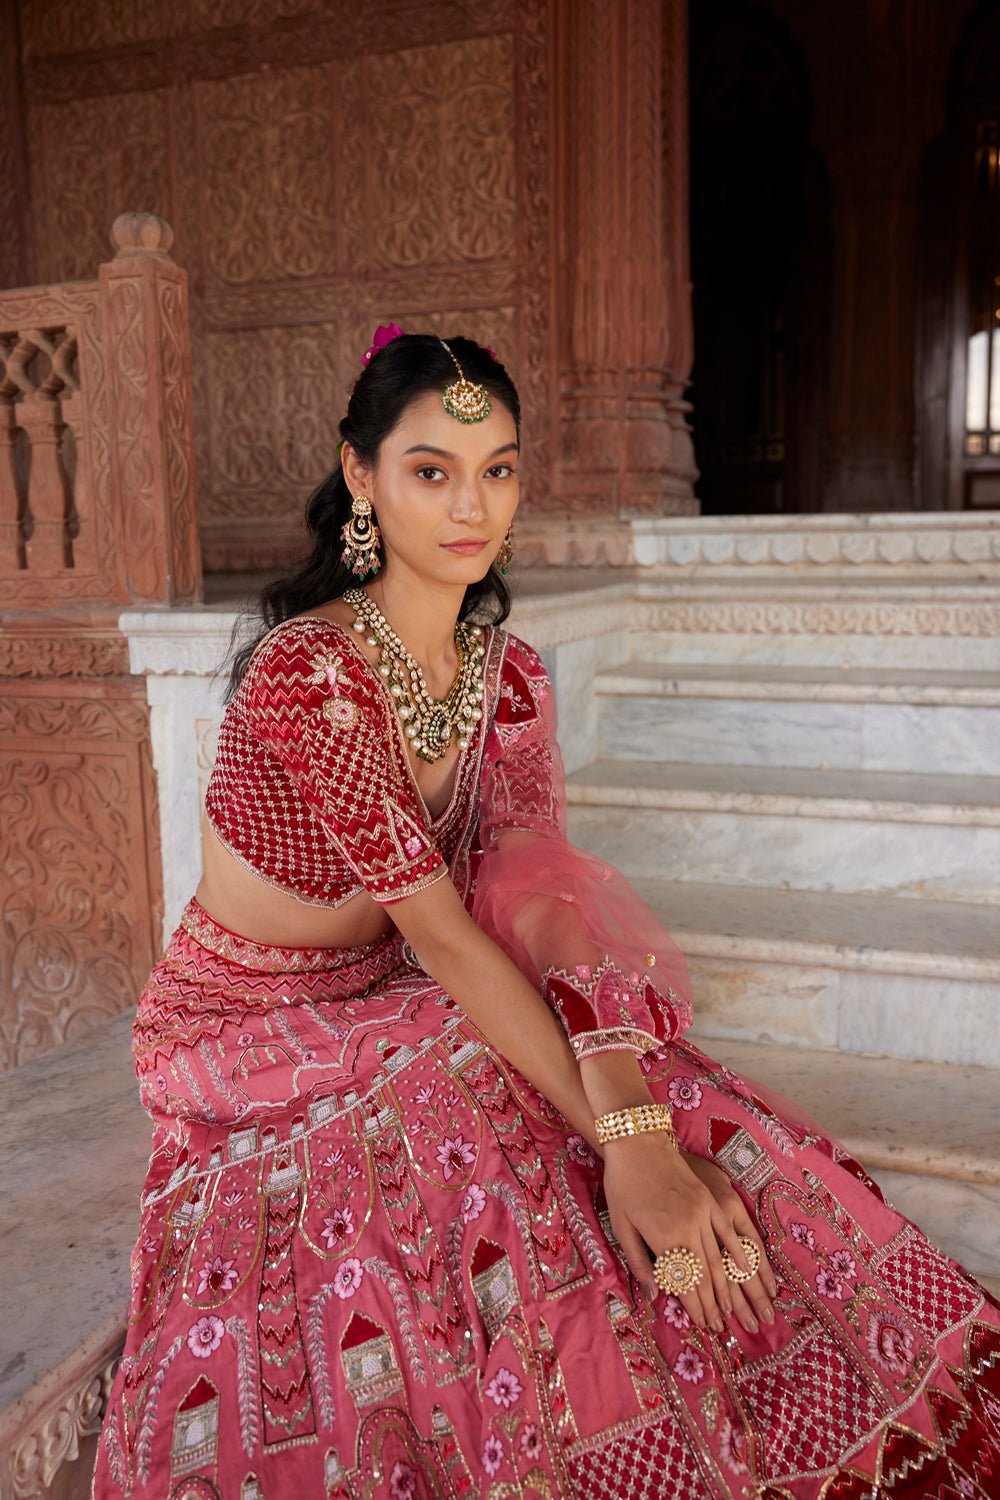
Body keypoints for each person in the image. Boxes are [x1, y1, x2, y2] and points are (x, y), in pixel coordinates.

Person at [94, 330, 1000, 1500]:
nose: (473, 505)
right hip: (246, 1026)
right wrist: (626, 1153)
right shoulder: (308, 674)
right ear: (360, 475)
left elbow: (532, 889)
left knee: (629, 1068)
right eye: (432, 470)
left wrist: (632, 1117)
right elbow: (448, 937)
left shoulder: (504, 674)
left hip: (400, 991)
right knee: (502, 1079)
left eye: (499, 469)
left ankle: (820, 1390)